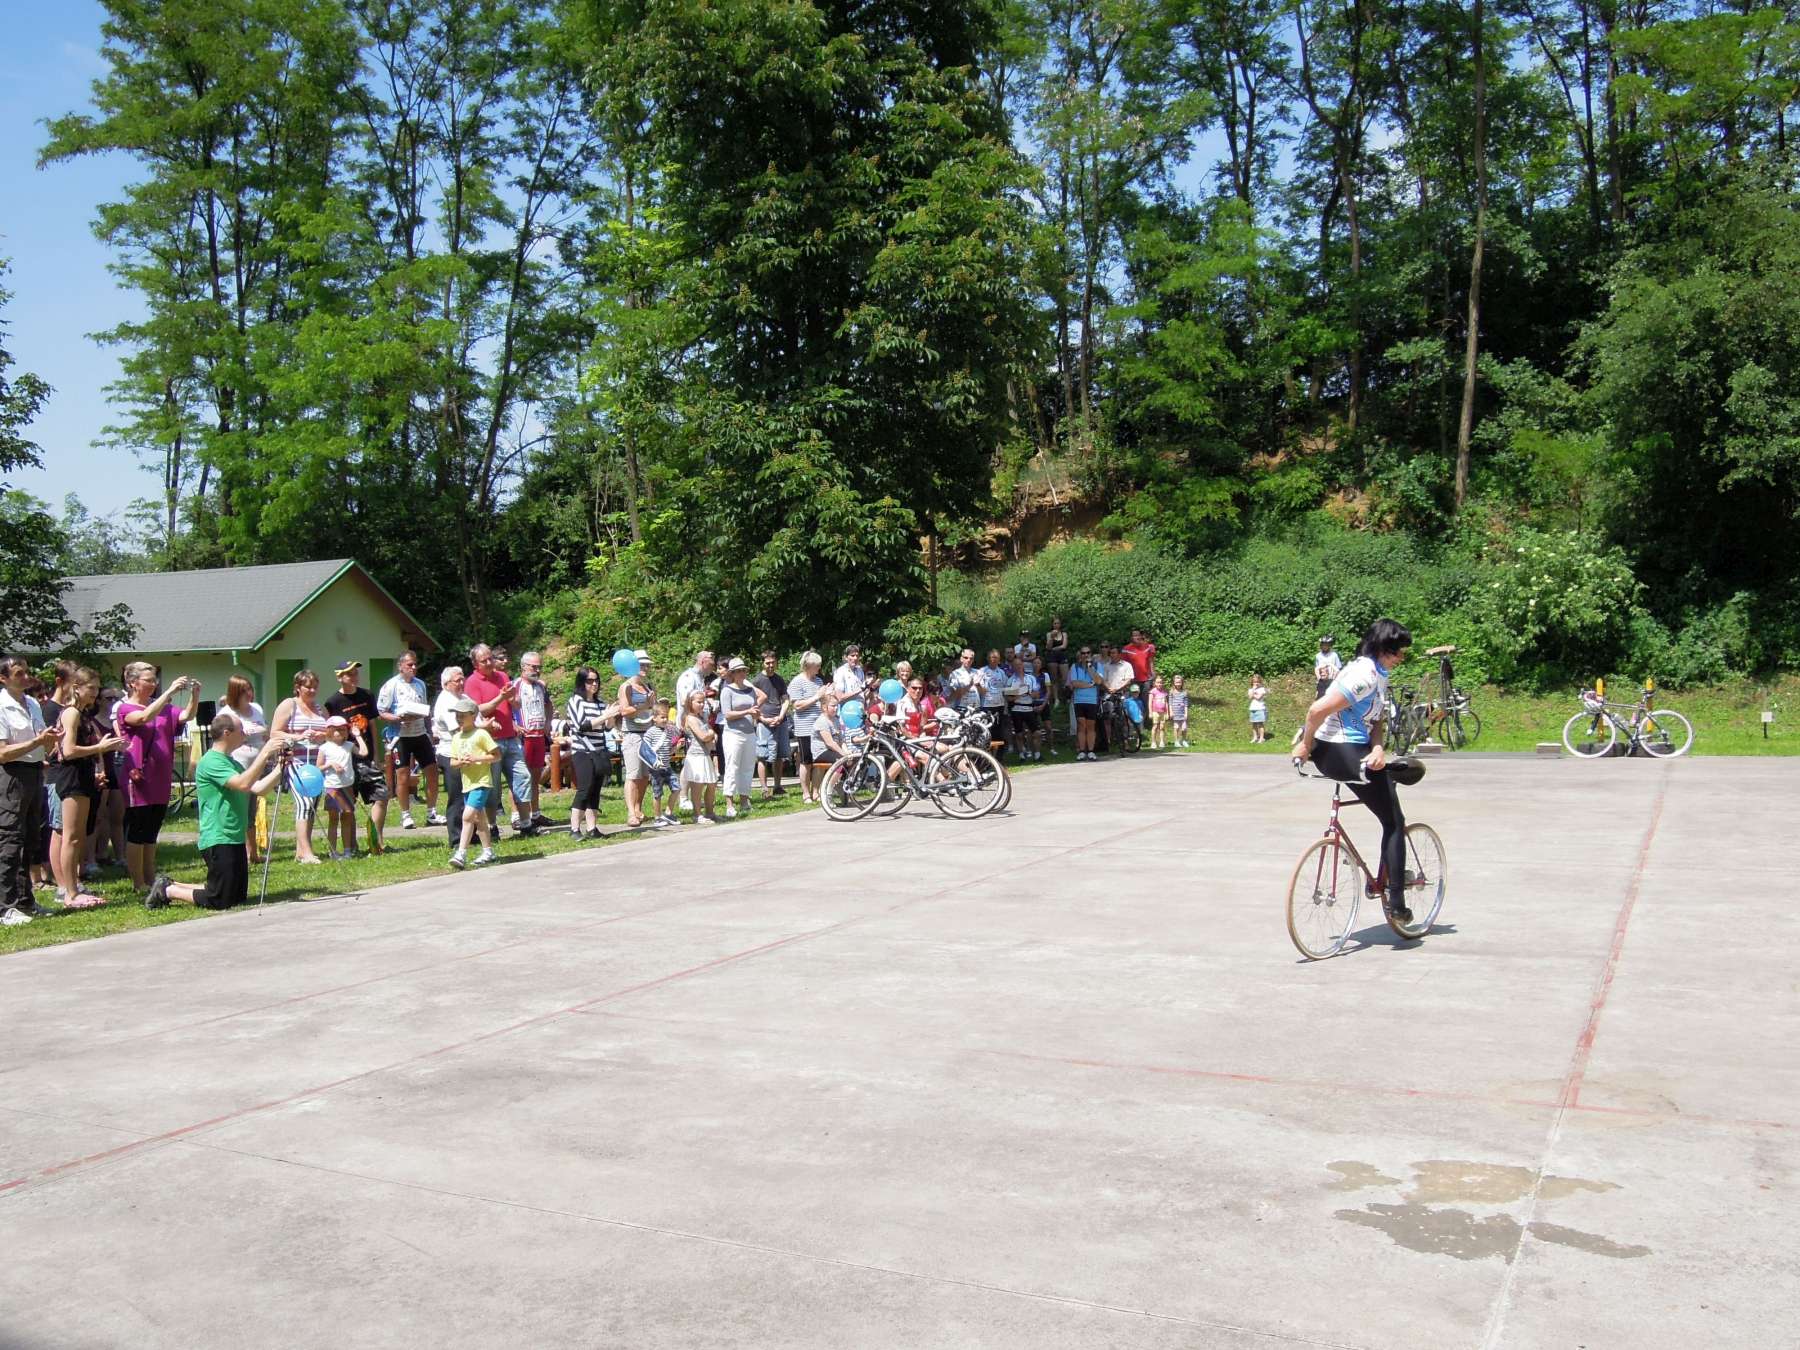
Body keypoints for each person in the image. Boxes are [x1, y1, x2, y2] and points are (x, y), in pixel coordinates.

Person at [1297, 618, 1415, 925]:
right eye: (1398, 651)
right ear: (1382, 648)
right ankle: (1397, 904)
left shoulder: (1376, 672)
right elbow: (1316, 710)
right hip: (1343, 752)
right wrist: (1305, 745)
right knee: (1394, 822)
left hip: (1347, 751)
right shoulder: (1364, 675)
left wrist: (1378, 748)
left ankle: (1385, 874)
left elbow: (1375, 720)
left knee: (1387, 795)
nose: (1401, 657)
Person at [143, 714, 288, 912]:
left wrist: (281, 767)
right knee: (220, 899)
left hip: (234, 836)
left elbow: (258, 788)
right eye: (241, 731)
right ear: (227, 733)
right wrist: (264, 753)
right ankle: (168, 891)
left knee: (236, 896)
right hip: (218, 836)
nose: (245, 734)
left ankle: (169, 884)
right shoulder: (211, 761)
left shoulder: (233, 763)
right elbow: (242, 783)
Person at [114, 661, 201, 892]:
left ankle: (150, 877)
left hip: (161, 777)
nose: (154, 684)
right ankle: (138, 882)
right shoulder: (126, 708)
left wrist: (194, 695)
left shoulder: (163, 707)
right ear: (132, 683)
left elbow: (186, 716)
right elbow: (143, 718)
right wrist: (170, 691)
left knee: (152, 829)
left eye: (155, 680)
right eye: (149, 680)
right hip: (138, 776)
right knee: (138, 829)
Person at [51, 668, 121, 909]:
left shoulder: (83, 714)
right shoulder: (71, 713)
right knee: (70, 837)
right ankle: (69, 893)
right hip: (71, 777)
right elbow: (68, 750)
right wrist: (100, 748)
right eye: (91, 687)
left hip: (84, 776)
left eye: (97, 688)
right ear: (76, 688)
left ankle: (75, 886)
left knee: (79, 836)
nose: (95, 692)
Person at [1, 655, 61, 925]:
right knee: (10, 839)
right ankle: (5, 906)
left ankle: (25, 900)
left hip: (36, 772)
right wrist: (37, 742)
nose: (26, 677)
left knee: (31, 839)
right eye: (18, 673)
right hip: (11, 776)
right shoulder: (2, 706)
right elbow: (3, 753)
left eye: (26, 672)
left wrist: (51, 741)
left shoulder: (33, 703)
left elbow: (41, 741)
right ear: (3, 678)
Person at [464, 644, 534, 838]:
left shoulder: (502, 676)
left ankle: (526, 823)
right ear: (475, 664)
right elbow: (476, 710)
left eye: (490, 659)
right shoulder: (471, 682)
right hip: (489, 741)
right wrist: (500, 698)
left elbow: (516, 704)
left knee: (522, 777)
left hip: (510, 738)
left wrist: (511, 699)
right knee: (492, 788)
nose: (489, 663)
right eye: (484, 661)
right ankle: (492, 826)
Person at [325, 661, 390, 854]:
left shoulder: (367, 695)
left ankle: (375, 840)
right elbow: (331, 731)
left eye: (355, 673)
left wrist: (376, 754)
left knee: (381, 795)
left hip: (366, 756)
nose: (354, 677)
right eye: (349, 674)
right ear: (340, 677)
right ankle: (351, 846)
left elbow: (372, 725)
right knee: (349, 803)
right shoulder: (333, 702)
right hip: (346, 758)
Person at [378, 650, 442, 832]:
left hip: (420, 734)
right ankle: (405, 815)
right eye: (409, 665)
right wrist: (398, 718)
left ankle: (432, 812)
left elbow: (425, 710)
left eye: (415, 664)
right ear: (400, 666)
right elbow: (381, 712)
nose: (413, 667)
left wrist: (430, 731)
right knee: (403, 776)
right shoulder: (391, 686)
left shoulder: (420, 684)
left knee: (432, 772)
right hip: (400, 736)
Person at [271, 668, 330, 864]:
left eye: (315, 687)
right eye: (308, 687)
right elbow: (275, 733)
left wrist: (322, 735)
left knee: (312, 806)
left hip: (317, 765)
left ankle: (301, 850)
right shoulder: (289, 705)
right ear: (298, 687)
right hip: (295, 763)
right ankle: (307, 853)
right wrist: (298, 737)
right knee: (304, 804)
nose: (312, 691)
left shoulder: (321, 709)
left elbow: (331, 733)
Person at [219, 675, 269, 864]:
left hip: (257, 765)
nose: (249, 694)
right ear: (235, 693)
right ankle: (242, 853)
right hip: (237, 767)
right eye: (244, 691)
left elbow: (265, 730)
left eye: (250, 689)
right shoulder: (226, 713)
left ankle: (253, 853)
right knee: (240, 809)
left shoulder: (256, 709)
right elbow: (222, 741)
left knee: (252, 809)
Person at [445, 697, 499, 869]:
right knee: (479, 818)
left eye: (463, 715)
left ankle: (461, 853)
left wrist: (477, 758)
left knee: (467, 816)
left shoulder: (481, 734)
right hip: (467, 783)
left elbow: (496, 755)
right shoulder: (457, 737)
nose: (459, 718)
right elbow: (452, 762)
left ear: (473, 715)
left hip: (481, 782)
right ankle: (488, 852)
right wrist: (461, 762)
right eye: (457, 715)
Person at [564, 666, 612, 839]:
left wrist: (611, 715)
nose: (594, 684)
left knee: (595, 790)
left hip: (599, 750)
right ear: (582, 682)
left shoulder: (600, 704)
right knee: (584, 788)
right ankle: (574, 829)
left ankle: (592, 828)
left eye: (596, 680)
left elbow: (607, 728)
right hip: (582, 751)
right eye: (590, 681)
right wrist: (604, 716)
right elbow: (581, 726)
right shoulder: (576, 701)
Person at [615, 649, 657, 828]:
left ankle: (638, 808)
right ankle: (631, 813)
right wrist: (644, 705)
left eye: (647, 665)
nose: (645, 668)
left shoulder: (648, 686)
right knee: (633, 775)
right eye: (642, 664)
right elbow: (625, 711)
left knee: (644, 776)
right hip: (632, 735)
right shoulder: (626, 686)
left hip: (647, 734)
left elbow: (652, 709)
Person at [717, 657, 763, 818]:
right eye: (738, 671)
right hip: (733, 733)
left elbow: (755, 708)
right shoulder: (727, 690)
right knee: (732, 767)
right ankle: (729, 804)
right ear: (732, 673)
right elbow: (727, 714)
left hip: (750, 732)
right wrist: (747, 712)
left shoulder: (750, 690)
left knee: (748, 768)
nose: (742, 673)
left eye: (744, 670)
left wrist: (756, 714)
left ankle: (744, 801)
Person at [431, 667, 469, 849]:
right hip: (450, 754)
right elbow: (457, 729)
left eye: (463, 679)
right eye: (457, 681)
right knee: (457, 797)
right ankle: (455, 838)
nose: (461, 683)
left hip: (466, 752)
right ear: (446, 684)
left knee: (468, 795)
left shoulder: (463, 698)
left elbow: (476, 717)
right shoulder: (446, 702)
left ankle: (470, 834)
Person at [515, 651, 553, 829]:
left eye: (539, 667)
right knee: (520, 777)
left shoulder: (540, 686)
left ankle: (535, 813)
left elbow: (548, 705)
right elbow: (505, 707)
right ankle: (516, 815)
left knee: (535, 776)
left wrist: (548, 722)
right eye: (533, 667)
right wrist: (513, 724)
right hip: (524, 737)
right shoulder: (515, 685)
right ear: (523, 666)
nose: (537, 670)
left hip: (538, 735)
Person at [316, 716, 361, 858]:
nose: (341, 732)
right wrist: (330, 764)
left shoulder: (349, 745)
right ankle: (333, 851)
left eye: (343, 729)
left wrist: (358, 736)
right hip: (332, 787)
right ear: (329, 731)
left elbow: (364, 753)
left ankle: (347, 850)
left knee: (347, 817)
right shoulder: (324, 748)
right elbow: (318, 767)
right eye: (337, 729)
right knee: (333, 819)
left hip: (347, 787)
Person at [787, 652, 826, 804]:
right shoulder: (797, 682)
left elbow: (822, 700)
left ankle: (816, 792)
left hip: (819, 727)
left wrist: (826, 695)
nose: (819, 668)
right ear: (808, 666)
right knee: (806, 761)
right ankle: (806, 793)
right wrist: (817, 697)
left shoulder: (818, 681)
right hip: (805, 727)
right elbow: (797, 705)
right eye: (817, 666)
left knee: (819, 761)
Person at [752, 651, 791, 798]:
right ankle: (764, 789)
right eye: (767, 663)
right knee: (762, 756)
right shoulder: (757, 681)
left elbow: (785, 699)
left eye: (773, 662)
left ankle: (777, 786)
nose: (770, 665)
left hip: (780, 721)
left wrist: (781, 715)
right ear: (762, 663)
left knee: (779, 755)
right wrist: (762, 719)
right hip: (764, 722)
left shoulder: (779, 679)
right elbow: (752, 705)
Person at [678, 688, 720, 822]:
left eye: (703, 702)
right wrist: (711, 734)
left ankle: (710, 812)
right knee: (698, 785)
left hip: (705, 754)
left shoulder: (701, 718)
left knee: (712, 784)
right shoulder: (690, 718)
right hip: (696, 756)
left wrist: (712, 735)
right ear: (690, 702)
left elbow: (711, 732)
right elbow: (703, 736)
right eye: (698, 702)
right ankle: (697, 814)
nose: (702, 705)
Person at [643, 698, 677, 826]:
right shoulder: (650, 732)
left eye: (666, 717)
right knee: (657, 793)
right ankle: (657, 817)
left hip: (667, 766)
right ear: (654, 718)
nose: (665, 720)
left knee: (677, 788)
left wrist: (676, 747)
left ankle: (668, 813)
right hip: (656, 768)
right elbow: (645, 748)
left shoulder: (668, 732)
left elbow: (669, 750)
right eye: (662, 717)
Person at [1005, 652, 1040, 760]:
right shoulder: (1010, 680)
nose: (1018, 667)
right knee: (1019, 734)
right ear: (1013, 667)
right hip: (1017, 709)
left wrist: (1027, 691)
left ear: (1023, 665)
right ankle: (1021, 754)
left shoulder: (1031, 678)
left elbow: (1037, 694)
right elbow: (1008, 698)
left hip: (1029, 708)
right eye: (1016, 665)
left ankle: (1037, 754)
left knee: (1036, 732)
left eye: (1020, 664)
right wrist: (1019, 693)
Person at [1068, 645, 1100, 760]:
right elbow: (1075, 683)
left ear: (1090, 654)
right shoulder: (1074, 667)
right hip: (1079, 700)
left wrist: (1090, 668)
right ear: (1080, 655)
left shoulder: (1097, 666)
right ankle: (1082, 751)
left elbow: (1098, 681)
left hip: (1092, 700)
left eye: (1088, 653)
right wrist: (1090, 684)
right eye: (1083, 653)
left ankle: (1091, 751)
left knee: (1091, 726)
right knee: (1081, 725)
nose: (1085, 655)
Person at [674, 651, 715, 728]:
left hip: (699, 723)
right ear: (702, 662)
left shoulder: (700, 678)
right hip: (689, 725)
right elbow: (685, 701)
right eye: (711, 664)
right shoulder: (688, 677)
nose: (713, 668)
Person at [1123, 629, 1157, 696]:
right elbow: (1124, 665)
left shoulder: (1148, 647)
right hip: (1133, 679)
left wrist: (1153, 673)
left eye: (1138, 635)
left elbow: (1151, 661)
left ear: (1141, 636)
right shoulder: (1126, 649)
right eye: (1134, 635)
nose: (1137, 637)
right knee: (1134, 699)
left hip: (1147, 679)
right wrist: (1125, 679)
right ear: (1131, 637)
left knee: (1146, 699)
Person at [947, 647, 980, 713]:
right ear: (961, 659)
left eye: (971, 658)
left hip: (976, 707)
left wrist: (979, 686)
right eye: (966, 658)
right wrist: (969, 685)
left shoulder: (978, 672)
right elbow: (955, 694)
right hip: (962, 708)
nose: (968, 660)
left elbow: (984, 692)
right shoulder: (955, 674)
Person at [1043, 618, 1069, 702]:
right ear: (1052, 624)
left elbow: (1064, 646)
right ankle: (1056, 699)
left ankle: (1065, 697)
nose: (1056, 625)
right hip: (1052, 657)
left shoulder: (1064, 634)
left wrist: (1054, 648)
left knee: (1065, 678)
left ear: (1060, 624)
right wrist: (1051, 637)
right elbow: (1048, 647)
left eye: (1058, 623)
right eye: (1055, 623)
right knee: (1054, 678)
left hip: (1062, 656)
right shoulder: (1049, 634)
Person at [1314, 634, 1342, 698]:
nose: (1324, 646)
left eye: (1326, 645)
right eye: (1323, 644)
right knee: (1320, 698)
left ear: (1329, 645)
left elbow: (1338, 668)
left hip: (1332, 680)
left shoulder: (1334, 655)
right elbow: (1317, 669)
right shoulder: (1318, 656)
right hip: (1322, 681)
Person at [1148, 674, 1172, 750]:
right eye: (1158, 682)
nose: (1159, 684)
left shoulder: (1164, 692)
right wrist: (1150, 712)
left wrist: (1167, 713)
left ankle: (1161, 741)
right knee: (1155, 727)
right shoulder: (1152, 692)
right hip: (1155, 712)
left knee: (1162, 727)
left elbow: (1166, 703)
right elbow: (1150, 702)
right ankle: (1153, 742)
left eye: (1161, 682)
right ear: (1154, 683)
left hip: (1163, 712)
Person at [1247, 673, 1269, 743]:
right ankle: (1255, 737)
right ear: (1252, 682)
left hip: (1260, 708)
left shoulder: (1262, 689)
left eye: (1257, 682)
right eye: (1254, 682)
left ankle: (1261, 738)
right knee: (1254, 724)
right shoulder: (1250, 689)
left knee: (1260, 724)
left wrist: (1254, 695)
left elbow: (1259, 698)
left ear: (1260, 682)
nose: (1256, 683)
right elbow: (1250, 697)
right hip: (1253, 708)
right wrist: (1253, 690)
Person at [1170, 674, 1190, 748]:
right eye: (1176, 682)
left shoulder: (1184, 692)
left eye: (1179, 682)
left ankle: (1184, 740)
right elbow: (1170, 703)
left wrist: (1186, 713)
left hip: (1183, 713)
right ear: (1174, 683)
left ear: (1182, 683)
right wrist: (1171, 712)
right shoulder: (1172, 692)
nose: (1178, 684)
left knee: (1184, 728)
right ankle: (1176, 741)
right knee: (1176, 728)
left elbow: (1186, 704)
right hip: (1175, 713)